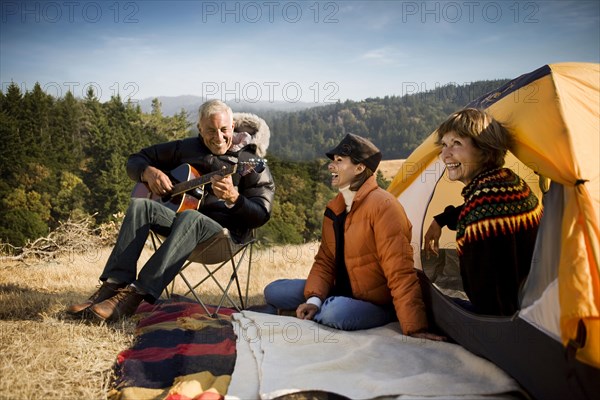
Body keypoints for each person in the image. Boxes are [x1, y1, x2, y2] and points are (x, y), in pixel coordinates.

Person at [67, 100, 275, 321]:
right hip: (180, 231)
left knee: (191, 217)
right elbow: (136, 159)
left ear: (233, 127)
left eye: (224, 130)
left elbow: (261, 213)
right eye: (210, 131)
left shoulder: (251, 161)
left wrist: (235, 198)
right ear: (199, 129)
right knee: (141, 205)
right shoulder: (187, 148)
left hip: (222, 239)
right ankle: (112, 286)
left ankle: (132, 297)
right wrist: (148, 172)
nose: (219, 137)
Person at [264, 133, 444, 341]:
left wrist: (414, 327)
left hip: (376, 302)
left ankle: (319, 310)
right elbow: (325, 260)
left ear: (359, 168)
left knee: (335, 313)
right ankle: (319, 308)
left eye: (339, 161)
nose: (331, 166)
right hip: (339, 290)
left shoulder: (384, 207)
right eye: (332, 161)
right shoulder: (335, 208)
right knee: (274, 291)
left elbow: (400, 271)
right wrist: (314, 300)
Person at [424, 108, 543, 316]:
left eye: (457, 144)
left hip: (504, 323)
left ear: (485, 149)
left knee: (418, 290)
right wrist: (441, 220)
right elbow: (482, 208)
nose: (445, 154)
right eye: (444, 145)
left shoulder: (481, 216)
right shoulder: (509, 183)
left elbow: (488, 303)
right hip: (534, 305)